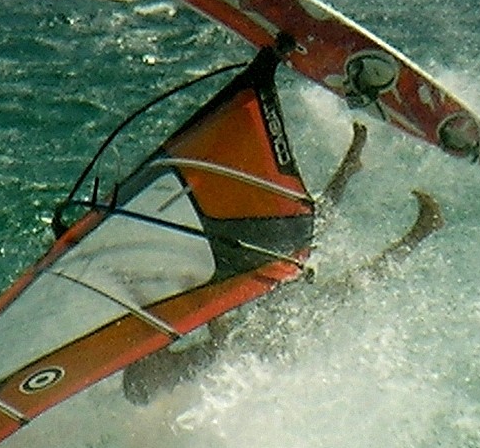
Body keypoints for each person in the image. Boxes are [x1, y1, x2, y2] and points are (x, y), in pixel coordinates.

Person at [121, 122, 442, 404]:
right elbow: (225, 344)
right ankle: (420, 231)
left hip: (270, 319)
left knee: (304, 241)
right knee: (349, 283)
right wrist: (208, 304)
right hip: (283, 336)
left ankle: (350, 168)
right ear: (152, 380)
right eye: (144, 364)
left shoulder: (178, 364)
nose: (148, 355)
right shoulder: (187, 372)